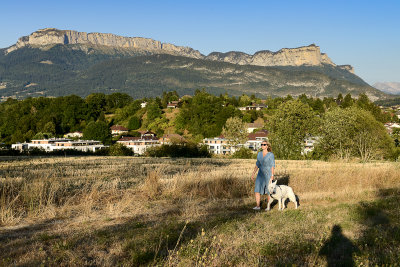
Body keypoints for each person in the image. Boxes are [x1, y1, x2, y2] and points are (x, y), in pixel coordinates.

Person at [250, 141, 275, 210]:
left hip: (268, 174)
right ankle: (258, 206)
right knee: (257, 189)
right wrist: (253, 173)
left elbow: (272, 165)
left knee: (268, 190)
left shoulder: (271, 155)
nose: (262, 146)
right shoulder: (259, 154)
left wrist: (272, 176)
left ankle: (268, 206)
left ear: (267, 146)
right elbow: (257, 164)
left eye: (264, 144)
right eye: (261, 144)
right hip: (260, 174)